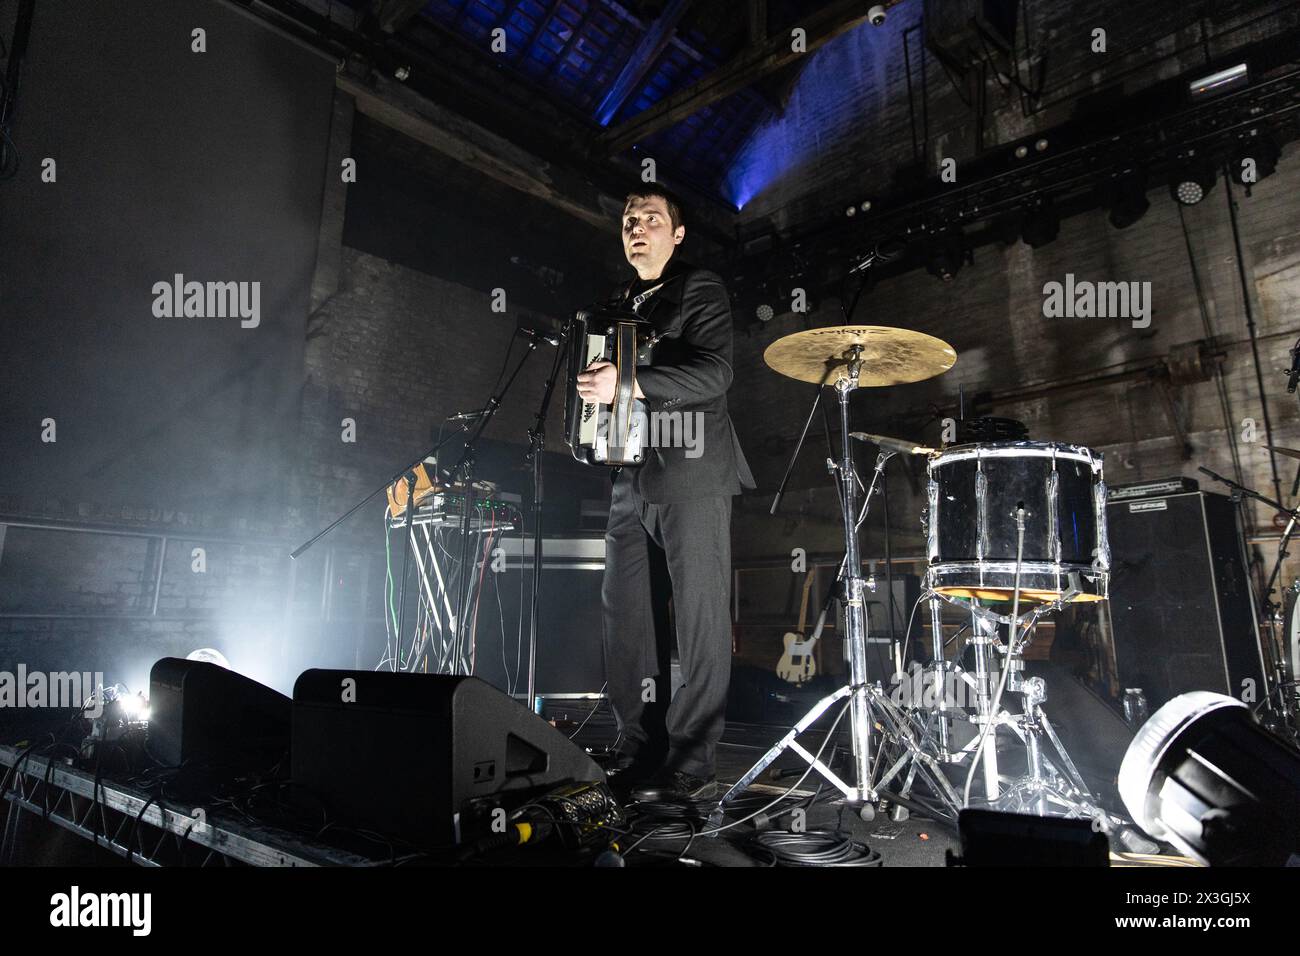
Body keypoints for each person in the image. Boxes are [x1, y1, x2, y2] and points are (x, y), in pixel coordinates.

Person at [575, 185, 755, 796]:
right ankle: (638, 744)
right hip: (630, 472)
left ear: (676, 235)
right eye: (629, 219)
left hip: (693, 469)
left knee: (699, 619)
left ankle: (690, 763)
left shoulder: (698, 287)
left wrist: (625, 381)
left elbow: (715, 373)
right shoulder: (615, 303)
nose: (637, 227)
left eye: (652, 219)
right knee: (625, 613)